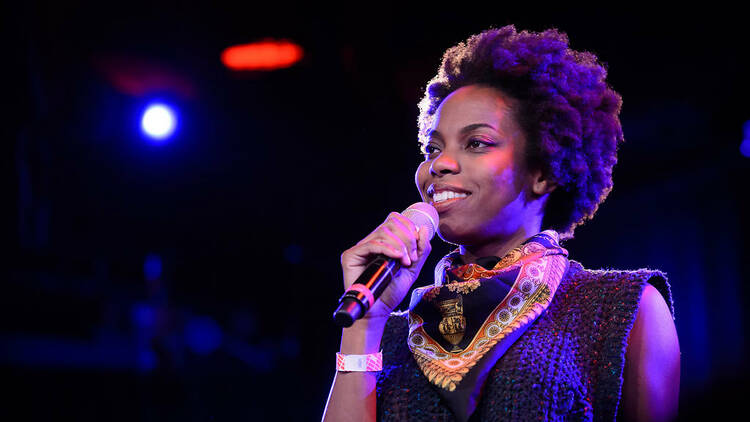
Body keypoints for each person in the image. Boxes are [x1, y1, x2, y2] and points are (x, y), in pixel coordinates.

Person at [323, 25, 680, 422]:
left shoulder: (622, 309)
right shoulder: (389, 335)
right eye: (433, 148)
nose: (438, 164)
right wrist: (364, 327)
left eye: (476, 143)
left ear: (543, 170)